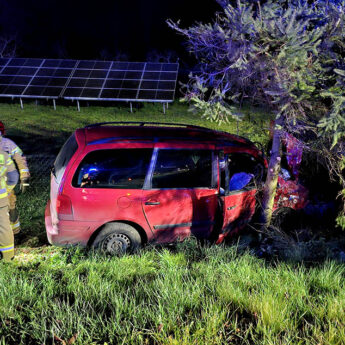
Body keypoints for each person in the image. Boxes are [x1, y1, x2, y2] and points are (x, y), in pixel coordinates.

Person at [0, 121, 30, 234]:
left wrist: (24, 177)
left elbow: (20, 159)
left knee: (10, 206)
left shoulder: (7, 144)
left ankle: (15, 232)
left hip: (6, 184)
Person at [0, 148, 19, 261]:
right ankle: (7, 258)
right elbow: (13, 178)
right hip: (1, 199)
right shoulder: (3, 155)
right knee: (3, 227)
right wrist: (7, 189)